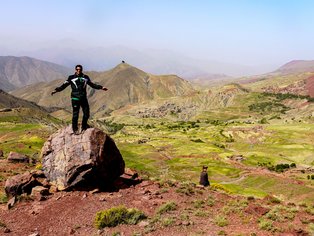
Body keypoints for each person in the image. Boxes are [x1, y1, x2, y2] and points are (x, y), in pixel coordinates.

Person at [51, 65, 108, 134]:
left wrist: (101, 87)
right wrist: (56, 90)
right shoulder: (71, 77)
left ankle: (84, 126)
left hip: (83, 98)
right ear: (75, 70)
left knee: (86, 113)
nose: (79, 71)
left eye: (80, 69)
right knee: (76, 114)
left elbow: (92, 85)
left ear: (81, 70)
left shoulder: (85, 77)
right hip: (75, 98)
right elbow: (64, 86)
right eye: (77, 69)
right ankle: (75, 129)